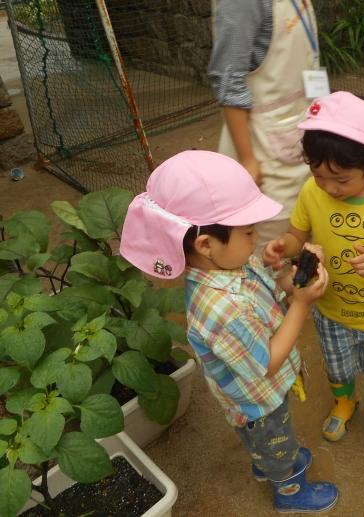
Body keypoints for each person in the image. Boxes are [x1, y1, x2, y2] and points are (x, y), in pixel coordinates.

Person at [119, 151, 339, 514]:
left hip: (251, 393)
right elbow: (265, 364)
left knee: (268, 439)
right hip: (259, 399)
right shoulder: (225, 311)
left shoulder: (228, 264)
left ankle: (264, 457)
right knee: (276, 440)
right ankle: (288, 490)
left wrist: (295, 279)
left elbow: (268, 288)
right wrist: (301, 305)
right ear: (206, 244)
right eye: (249, 231)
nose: (257, 236)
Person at [263, 92, 364, 443]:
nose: (329, 188)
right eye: (319, 176)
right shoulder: (312, 192)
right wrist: (282, 246)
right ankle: (344, 402)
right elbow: (296, 234)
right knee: (337, 364)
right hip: (331, 310)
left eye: (341, 179)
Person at [209, 0, 320, 254]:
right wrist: (248, 159)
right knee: (268, 250)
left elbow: (310, 60)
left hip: (303, 132)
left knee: (303, 236)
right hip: (264, 151)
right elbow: (229, 78)